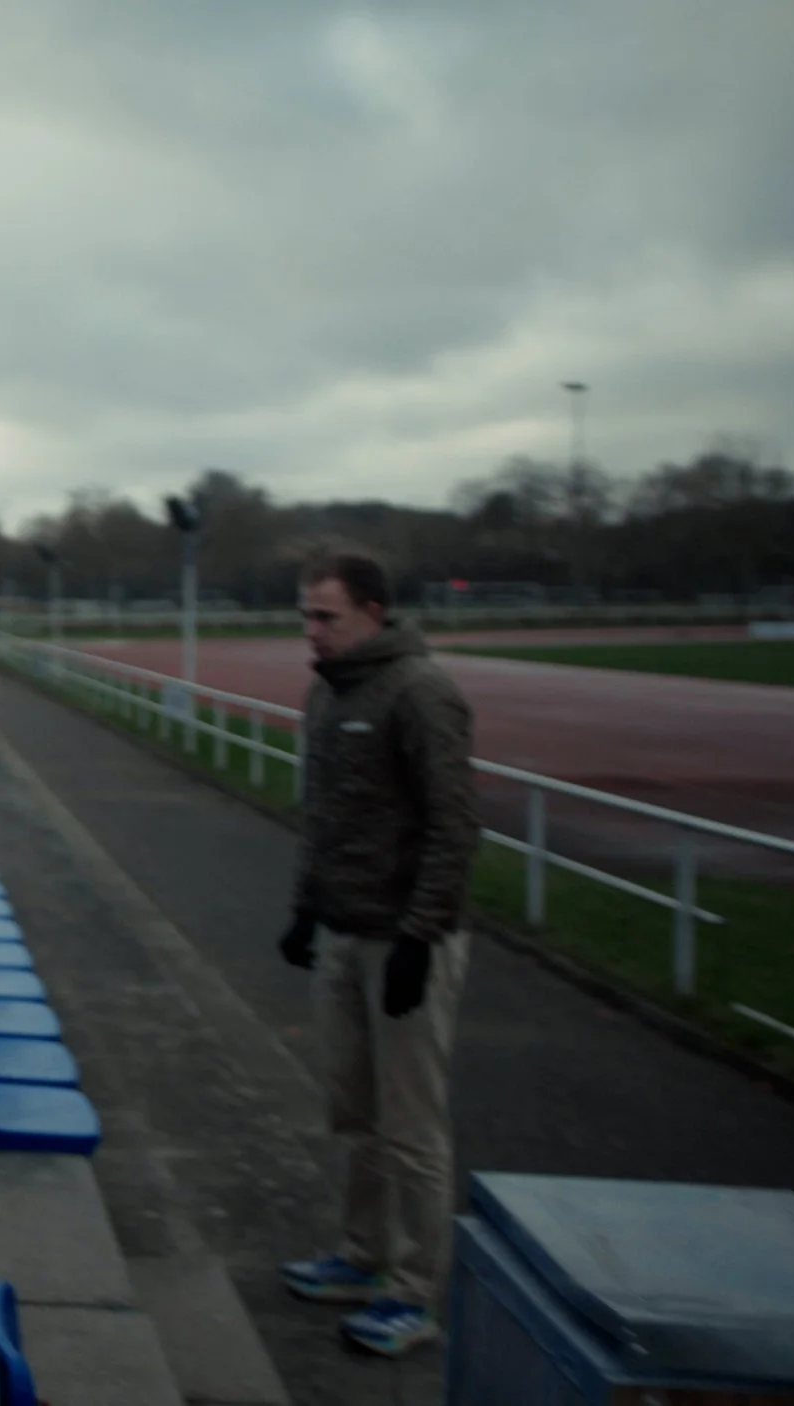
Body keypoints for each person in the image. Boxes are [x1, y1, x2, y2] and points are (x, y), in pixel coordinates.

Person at [275, 551, 479, 1358]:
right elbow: (325, 817)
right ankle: (362, 1257)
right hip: (343, 929)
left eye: (325, 617)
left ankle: (419, 1292)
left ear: (373, 612)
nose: (311, 632)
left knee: (411, 1129)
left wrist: (420, 940)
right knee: (354, 1116)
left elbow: (454, 827)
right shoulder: (327, 692)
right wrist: (304, 910)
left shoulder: (423, 693)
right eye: (305, 616)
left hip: (406, 942)